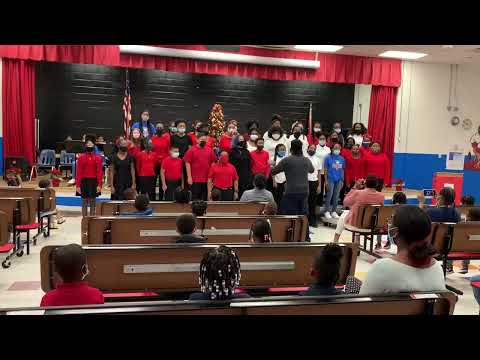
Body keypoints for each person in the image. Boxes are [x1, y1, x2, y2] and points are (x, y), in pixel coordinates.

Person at [360, 205, 446, 294]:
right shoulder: (437, 268)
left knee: (351, 282)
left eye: (391, 221)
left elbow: (361, 305)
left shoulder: (382, 267)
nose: (389, 224)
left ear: (395, 232)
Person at [271, 140, 314, 236]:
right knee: (303, 215)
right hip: (304, 191)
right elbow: (312, 170)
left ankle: (291, 237)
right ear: (301, 149)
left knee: (290, 215)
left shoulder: (287, 160)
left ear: (291, 149)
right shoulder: (306, 160)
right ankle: (305, 236)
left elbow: (273, 171)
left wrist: (271, 165)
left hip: (291, 191)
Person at [333, 176, 385, 243]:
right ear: (377, 184)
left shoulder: (358, 193)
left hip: (357, 225)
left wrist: (355, 187)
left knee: (343, 216)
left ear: (365, 183)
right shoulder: (381, 196)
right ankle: (357, 241)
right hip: (372, 226)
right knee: (357, 215)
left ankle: (335, 241)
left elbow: (345, 202)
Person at [184, 132, 217, 201]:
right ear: (197, 140)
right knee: (194, 198)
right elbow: (187, 163)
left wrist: (212, 177)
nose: (203, 141)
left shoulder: (210, 150)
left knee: (204, 199)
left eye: (205, 140)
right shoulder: (191, 150)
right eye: (202, 140)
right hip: (195, 179)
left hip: (206, 180)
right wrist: (189, 177)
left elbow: (213, 163)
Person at [76, 139, 103, 217]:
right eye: (88, 145)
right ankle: (84, 218)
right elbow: (79, 172)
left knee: (92, 201)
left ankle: (92, 218)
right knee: (84, 202)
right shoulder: (81, 158)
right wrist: (78, 185)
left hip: (94, 181)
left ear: (94, 146)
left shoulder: (98, 158)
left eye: (91, 145)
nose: (90, 146)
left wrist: (99, 185)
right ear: (85, 146)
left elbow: (100, 172)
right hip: (84, 181)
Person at [323, 143, 345, 219]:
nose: (337, 149)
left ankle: (334, 211)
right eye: (335, 147)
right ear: (332, 149)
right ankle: (327, 211)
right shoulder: (328, 158)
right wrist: (325, 180)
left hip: (338, 179)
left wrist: (342, 180)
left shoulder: (342, 158)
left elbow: (342, 170)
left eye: (338, 148)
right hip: (330, 178)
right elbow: (325, 170)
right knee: (330, 194)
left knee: (336, 195)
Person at [229, 134, 253, 199]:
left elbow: (249, 166)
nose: (241, 141)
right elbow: (230, 164)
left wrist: (249, 178)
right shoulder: (232, 152)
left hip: (244, 177)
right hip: (234, 176)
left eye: (242, 140)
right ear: (236, 141)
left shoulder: (247, 152)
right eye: (240, 139)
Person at [151, 122, 170, 201]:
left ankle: (162, 199)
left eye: (160, 127)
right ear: (155, 129)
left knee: (163, 182)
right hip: (155, 163)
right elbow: (151, 150)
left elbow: (168, 150)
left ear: (163, 129)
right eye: (158, 127)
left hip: (163, 163)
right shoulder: (152, 138)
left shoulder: (166, 139)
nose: (159, 129)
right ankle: (153, 199)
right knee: (153, 181)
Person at [306, 143, 322, 227]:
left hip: (314, 182)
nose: (312, 150)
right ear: (307, 149)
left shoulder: (318, 159)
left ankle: (313, 220)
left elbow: (319, 173)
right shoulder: (304, 158)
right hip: (306, 181)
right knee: (306, 202)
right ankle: (306, 220)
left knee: (313, 202)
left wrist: (319, 185)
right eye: (311, 148)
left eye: (314, 148)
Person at [314, 132, 331, 207]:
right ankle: (318, 205)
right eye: (320, 139)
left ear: (326, 140)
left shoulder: (328, 149)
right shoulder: (315, 148)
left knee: (327, 188)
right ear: (318, 139)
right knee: (318, 189)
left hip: (326, 171)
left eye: (323, 139)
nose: (322, 140)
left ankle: (327, 206)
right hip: (317, 171)